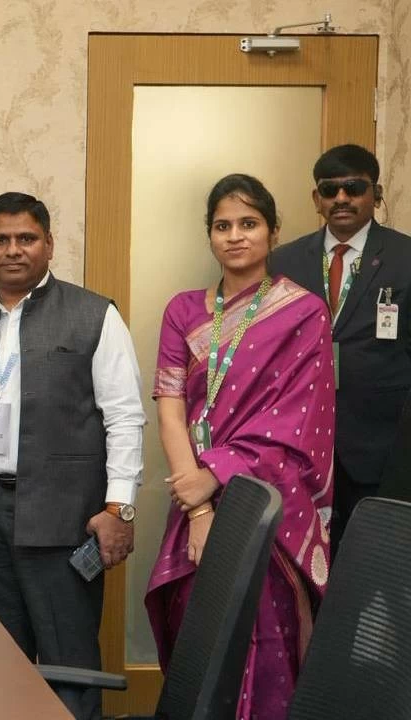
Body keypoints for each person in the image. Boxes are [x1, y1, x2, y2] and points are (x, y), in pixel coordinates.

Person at [0, 191, 145, 720]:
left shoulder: (94, 315)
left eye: (26, 238)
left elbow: (124, 416)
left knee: (70, 662)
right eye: (0, 239)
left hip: (65, 521)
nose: (13, 249)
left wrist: (119, 508)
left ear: (49, 244)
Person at [147, 174, 334, 720]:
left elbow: (298, 421)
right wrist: (198, 505)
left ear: (273, 232)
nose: (235, 236)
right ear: (209, 235)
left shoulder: (304, 312)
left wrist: (215, 474)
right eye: (222, 226)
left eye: (248, 224)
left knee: (267, 638)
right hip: (195, 499)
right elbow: (170, 406)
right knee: (200, 639)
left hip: (268, 505)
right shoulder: (184, 310)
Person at [270, 144, 411, 550]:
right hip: (301, 447)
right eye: (330, 190)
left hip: (380, 451)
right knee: (309, 561)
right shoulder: (284, 263)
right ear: (317, 199)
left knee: (373, 563)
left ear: (376, 193)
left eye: (354, 187)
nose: (342, 198)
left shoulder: (405, 258)